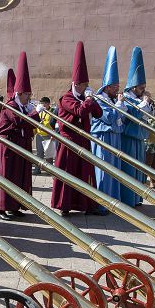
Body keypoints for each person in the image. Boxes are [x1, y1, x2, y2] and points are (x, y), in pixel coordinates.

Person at [53, 42, 102, 215]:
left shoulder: (85, 98)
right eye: (82, 84)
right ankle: (64, 206)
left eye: (86, 84)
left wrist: (93, 100)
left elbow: (98, 114)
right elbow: (79, 111)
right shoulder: (66, 98)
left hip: (84, 139)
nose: (85, 88)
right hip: (70, 142)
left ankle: (88, 205)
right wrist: (88, 101)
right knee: (70, 173)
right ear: (75, 84)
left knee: (85, 173)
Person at [0, 53, 38, 220]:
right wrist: (34, 113)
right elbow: (19, 121)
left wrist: (33, 113)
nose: (29, 98)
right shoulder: (10, 106)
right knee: (7, 176)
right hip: (8, 147)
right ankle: (1, 208)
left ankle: (16, 205)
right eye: (27, 95)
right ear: (19, 94)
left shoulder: (24, 107)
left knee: (19, 177)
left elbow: (32, 123)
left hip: (20, 145)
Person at [117, 47, 152, 205]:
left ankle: (137, 198)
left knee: (139, 171)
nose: (143, 90)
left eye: (144, 87)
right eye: (140, 87)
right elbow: (134, 114)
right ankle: (128, 198)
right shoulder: (127, 98)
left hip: (139, 137)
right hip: (129, 137)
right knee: (130, 169)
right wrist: (144, 103)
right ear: (133, 87)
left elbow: (148, 114)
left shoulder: (139, 99)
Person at [89, 46, 124, 202]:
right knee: (103, 169)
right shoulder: (100, 99)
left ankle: (112, 199)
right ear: (108, 86)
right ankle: (101, 202)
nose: (117, 91)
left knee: (113, 170)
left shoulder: (111, 99)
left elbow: (119, 120)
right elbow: (109, 118)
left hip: (114, 136)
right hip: (103, 137)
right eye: (115, 87)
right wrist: (119, 108)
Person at [33, 96, 56, 170]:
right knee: (39, 154)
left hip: (48, 135)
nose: (42, 105)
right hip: (39, 135)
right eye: (41, 103)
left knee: (49, 154)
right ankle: (37, 169)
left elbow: (54, 124)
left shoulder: (52, 111)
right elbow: (37, 123)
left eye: (43, 104)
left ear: (48, 103)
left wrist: (53, 134)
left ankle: (50, 170)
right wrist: (34, 133)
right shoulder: (40, 111)